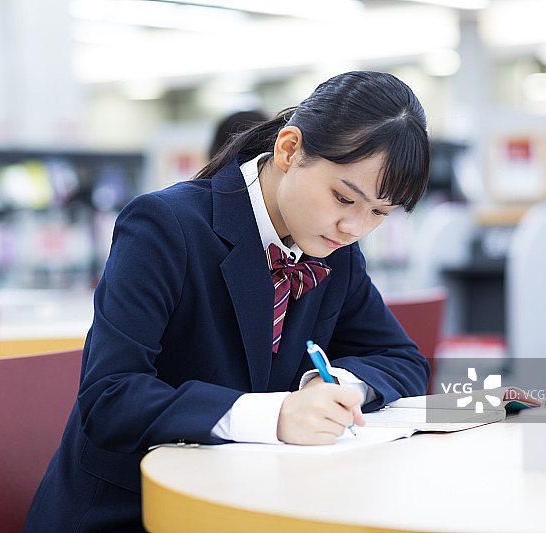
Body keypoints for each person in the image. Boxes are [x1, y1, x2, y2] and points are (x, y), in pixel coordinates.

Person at [25, 71, 431, 532]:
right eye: (343, 197)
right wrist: (275, 416)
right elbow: (111, 396)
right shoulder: (164, 226)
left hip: (260, 503)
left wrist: (337, 385)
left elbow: (403, 359)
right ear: (289, 149)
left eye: (379, 213)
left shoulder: (337, 254)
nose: (354, 227)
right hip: (133, 512)